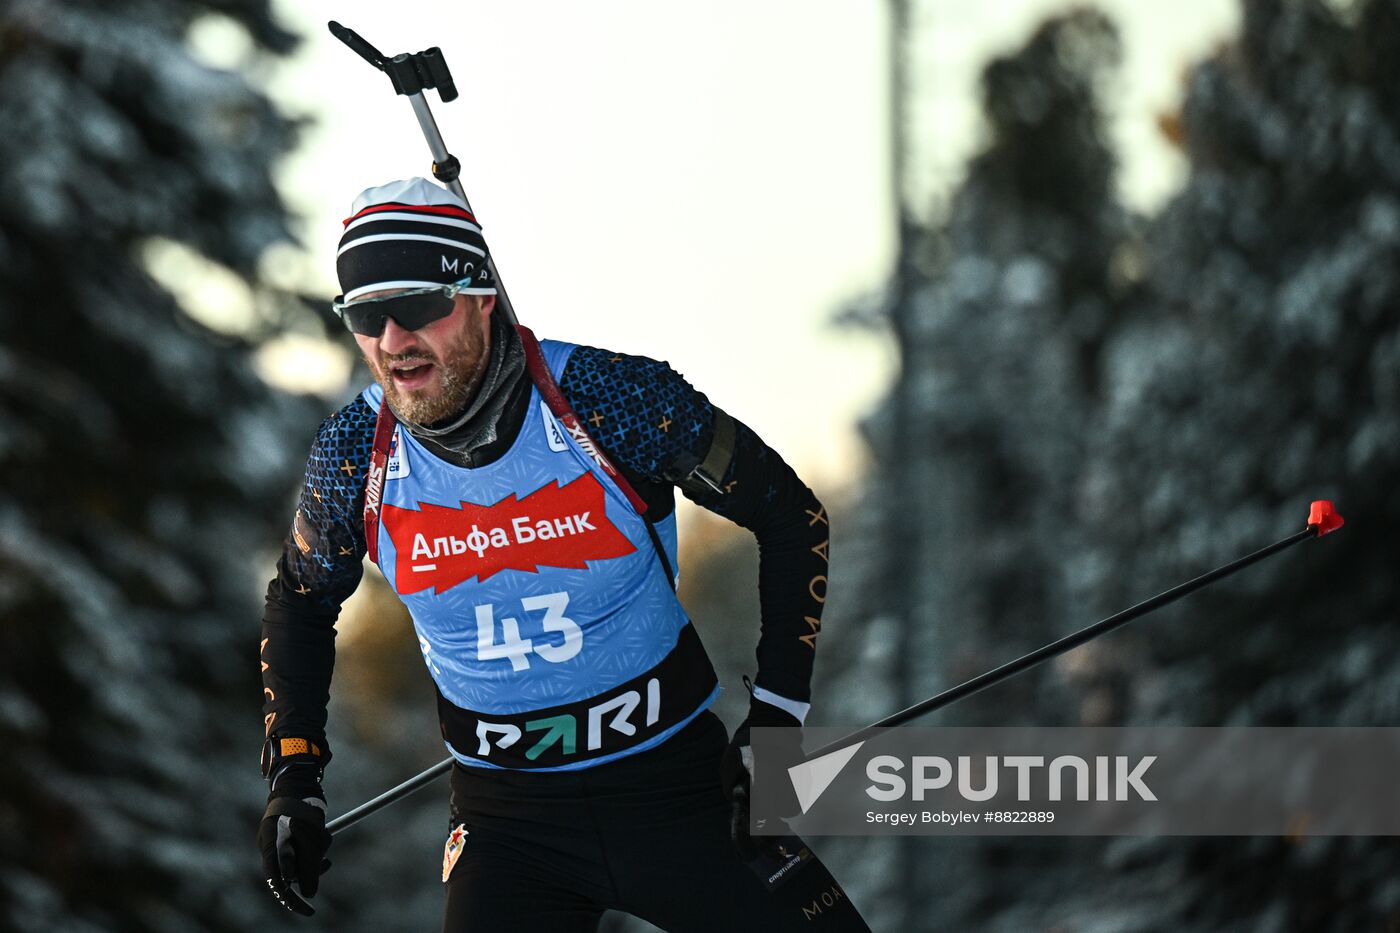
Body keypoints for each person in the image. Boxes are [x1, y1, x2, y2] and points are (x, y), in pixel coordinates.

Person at [257, 177, 871, 931]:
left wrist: (778, 717)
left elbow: (790, 514)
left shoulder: (610, 400)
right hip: (510, 829)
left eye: (416, 307)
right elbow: (301, 597)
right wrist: (295, 772)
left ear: (481, 294)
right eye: (364, 315)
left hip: (680, 791)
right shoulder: (355, 453)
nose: (391, 341)